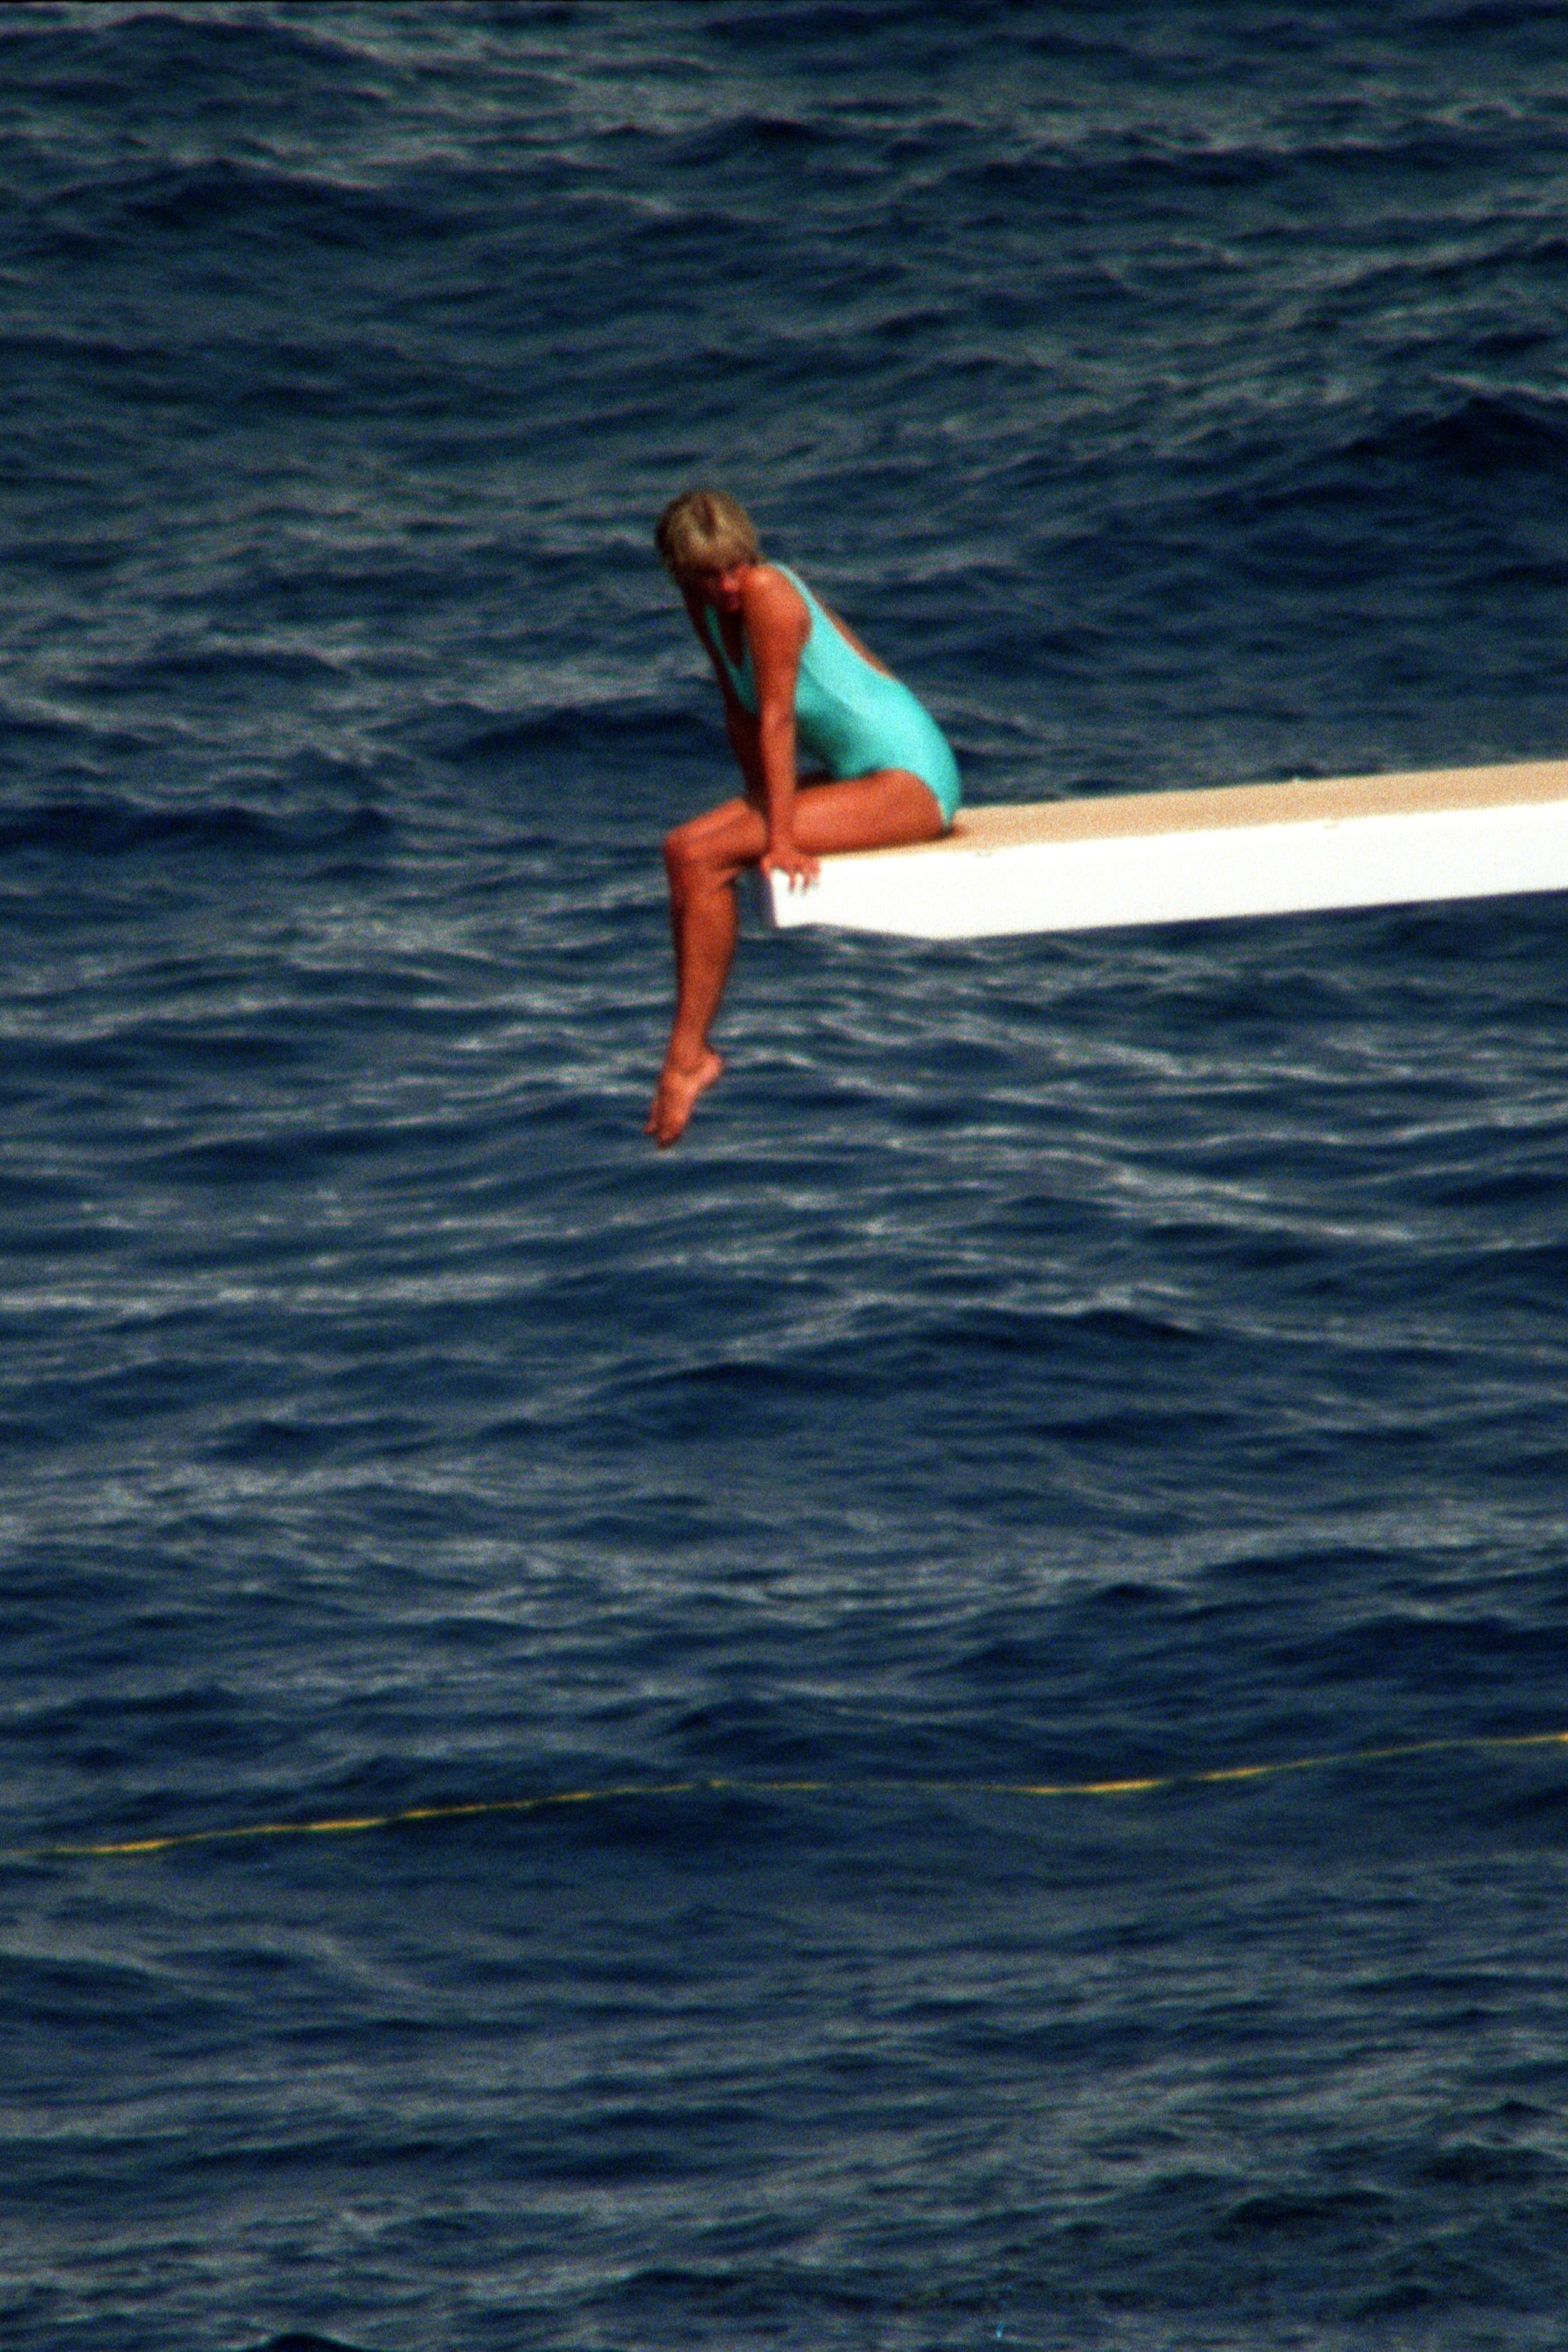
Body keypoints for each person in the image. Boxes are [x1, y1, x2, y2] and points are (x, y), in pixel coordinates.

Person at [647, 488, 962, 1146]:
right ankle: (685, 1054)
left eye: (735, 565)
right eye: (709, 573)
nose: (728, 584)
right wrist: (756, 804)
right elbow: (737, 713)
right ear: (684, 574)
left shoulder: (765, 591)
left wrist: (779, 838)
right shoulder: (704, 605)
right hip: (861, 776)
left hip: (911, 779)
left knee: (706, 856)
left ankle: (686, 1060)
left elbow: (777, 718)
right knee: (683, 848)